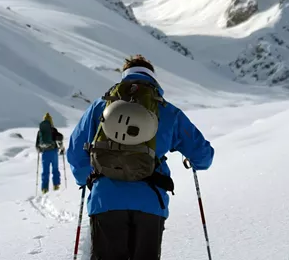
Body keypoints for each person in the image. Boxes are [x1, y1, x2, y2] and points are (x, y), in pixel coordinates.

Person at [67, 55, 214, 260]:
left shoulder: (101, 107)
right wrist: (194, 160)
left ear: (124, 77)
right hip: (150, 201)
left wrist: (86, 179)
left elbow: (75, 152)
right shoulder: (168, 111)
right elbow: (204, 157)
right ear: (153, 78)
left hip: (106, 199)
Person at [36, 112, 64, 194]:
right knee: (55, 169)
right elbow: (59, 139)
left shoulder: (40, 131)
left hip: (45, 153)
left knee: (45, 171)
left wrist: (40, 150)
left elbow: (37, 144)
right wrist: (61, 148)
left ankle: (44, 188)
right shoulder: (53, 130)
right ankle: (56, 185)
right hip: (53, 151)